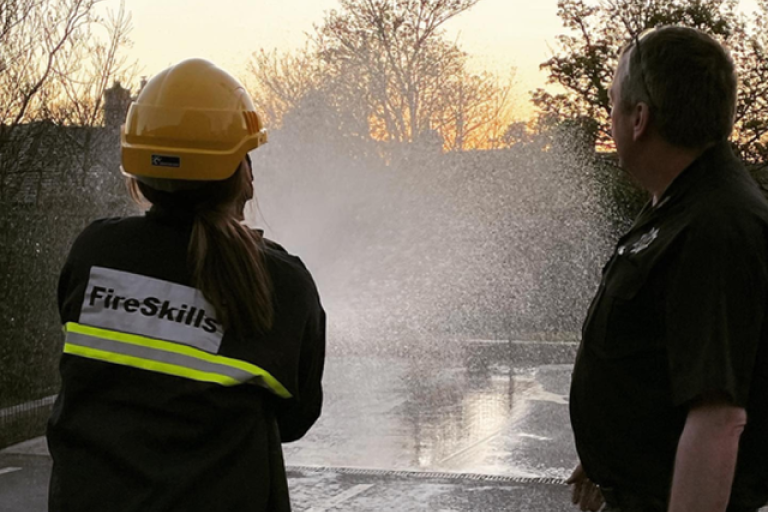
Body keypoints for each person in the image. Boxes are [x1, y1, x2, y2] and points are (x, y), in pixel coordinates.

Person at [47, 58, 326, 512]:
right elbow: (294, 419)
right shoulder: (281, 284)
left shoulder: (96, 253)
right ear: (244, 178)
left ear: (138, 172)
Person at [568, 26, 768, 512]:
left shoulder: (715, 226)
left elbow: (718, 419)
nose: (608, 119)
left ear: (639, 119)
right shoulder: (680, 206)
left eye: (613, 103)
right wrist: (608, 454)